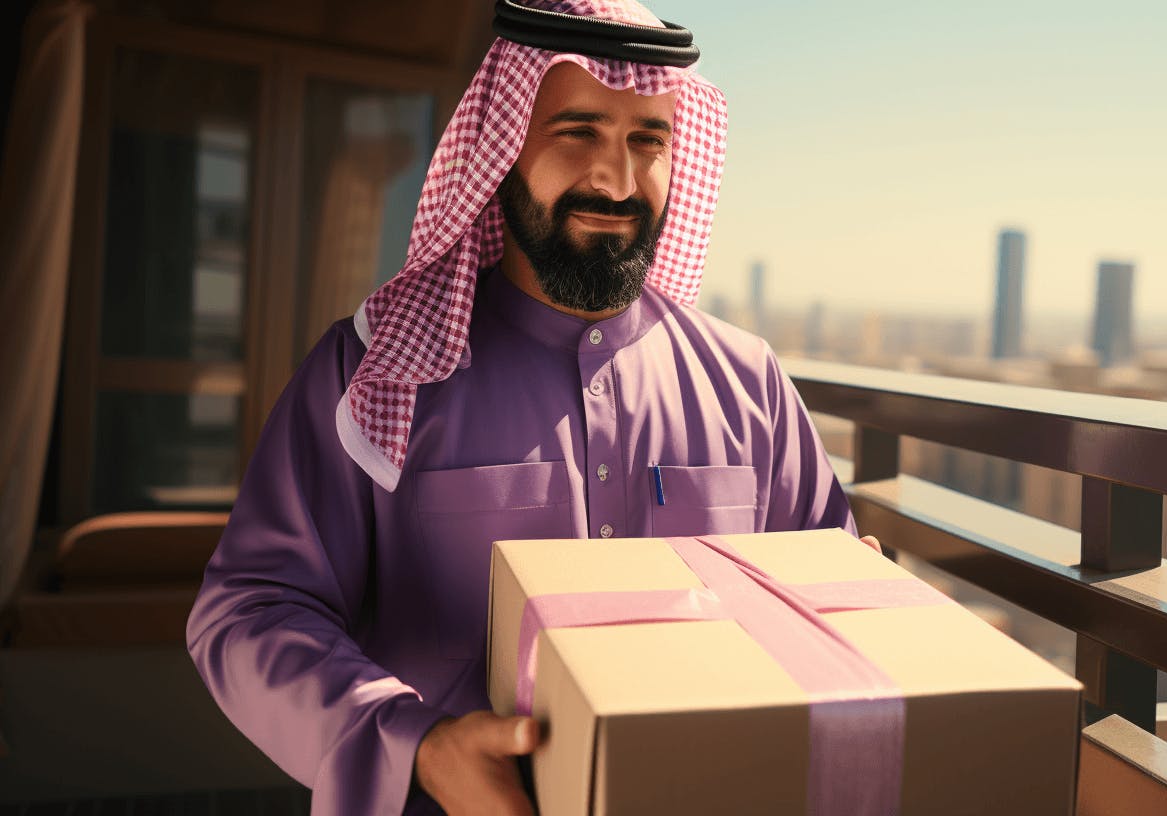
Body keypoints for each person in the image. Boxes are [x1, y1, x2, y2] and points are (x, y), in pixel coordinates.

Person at [186, 1, 873, 813]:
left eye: (647, 140)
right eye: (577, 131)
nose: (617, 180)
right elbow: (250, 611)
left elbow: (829, 604)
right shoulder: (375, 370)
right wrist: (418, 747)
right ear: (502, 146)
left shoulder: (746, 381)